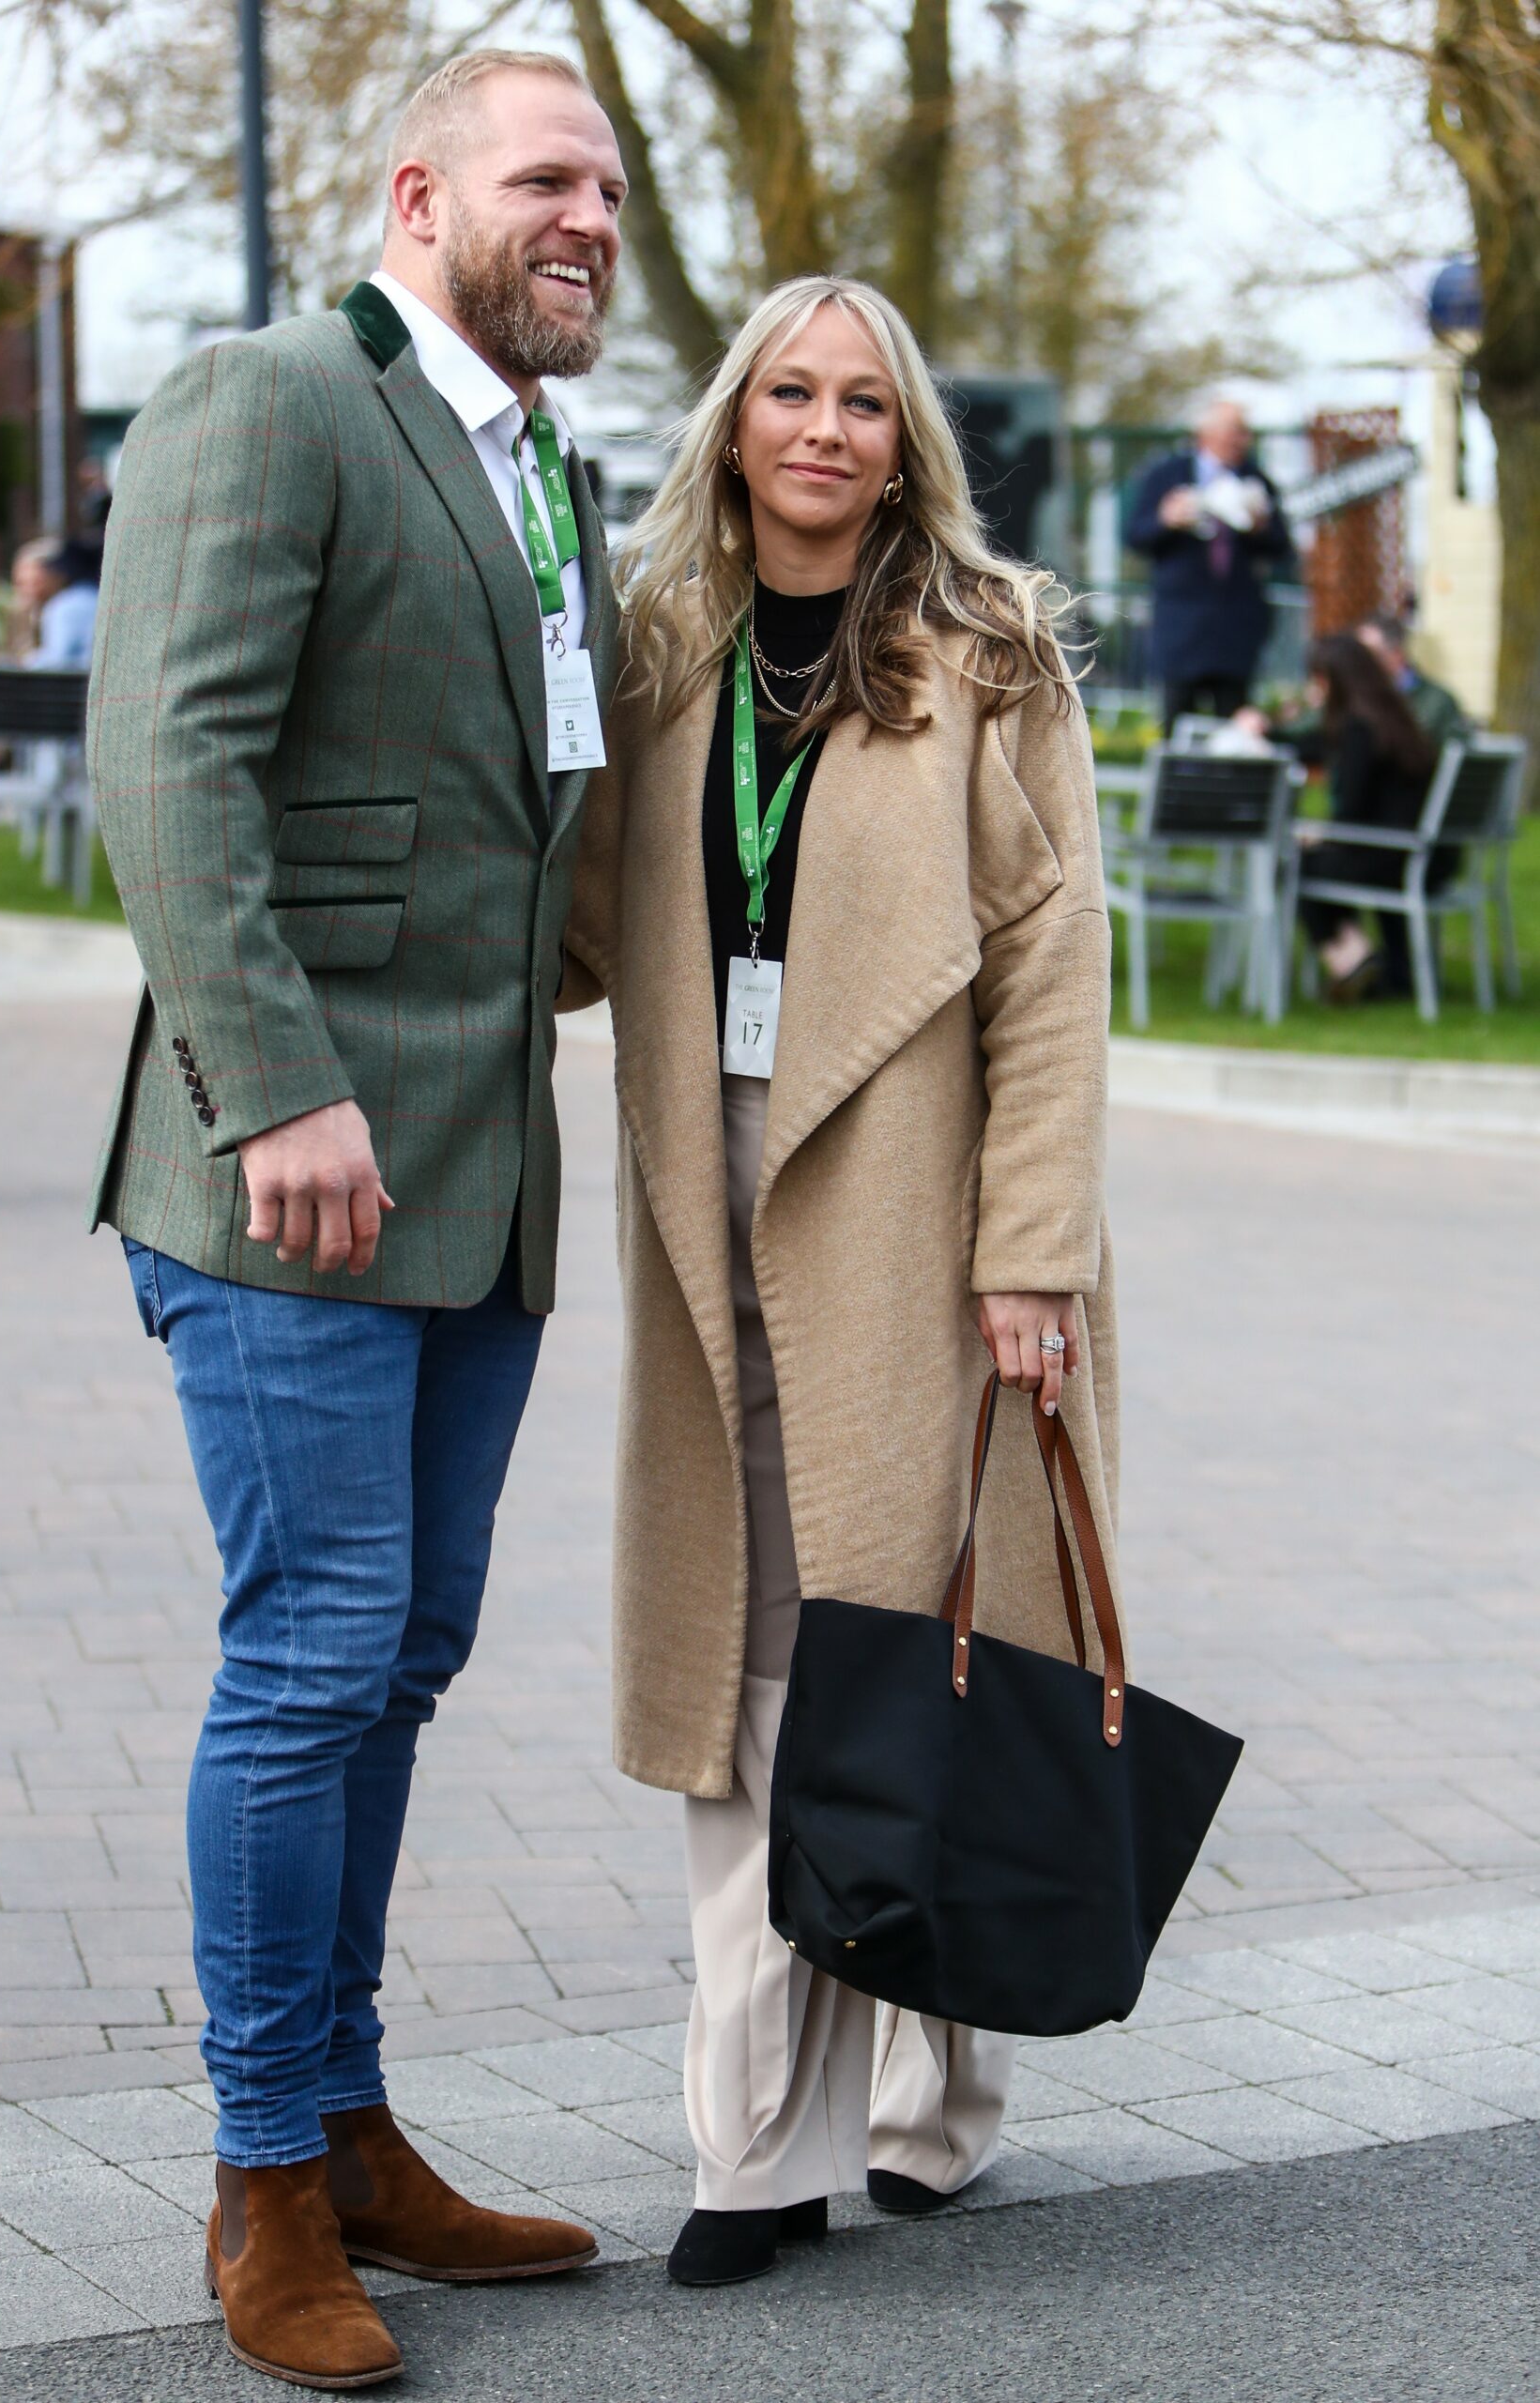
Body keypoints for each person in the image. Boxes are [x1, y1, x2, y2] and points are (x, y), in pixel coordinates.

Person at [86, 50, 627, 2392]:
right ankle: (260, 2181)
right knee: (310, 1656)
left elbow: (542, 813)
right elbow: (168, 752)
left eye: (609, 183)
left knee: (396, 1661)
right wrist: (275, 1080)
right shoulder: (273, 395)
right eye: (546, 176)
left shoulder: (549, 473)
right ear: (420, 194)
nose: (590, 214)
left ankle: (346, 2110)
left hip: (478, 1174)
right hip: (291, 1164)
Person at [562, 277, 1121, 2288]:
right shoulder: (649, 647)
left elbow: (1056, 969)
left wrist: (1030, 1245)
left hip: (916, 1188)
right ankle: (756, 2134)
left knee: (912, 1633)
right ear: (730, 422)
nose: (820, 428)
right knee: (747, 1647)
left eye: (860, 401)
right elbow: (568, 914)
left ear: (904, 439)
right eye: (786, 392)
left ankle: (930, 2091)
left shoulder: (987, 648)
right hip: (699, 1175)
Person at [1126, 400, 1294, 733]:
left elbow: (1281, 546)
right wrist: (1166, 519)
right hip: (1182, 630)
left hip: (1235, 630)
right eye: (1236, 431)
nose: (1243, 440)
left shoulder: (1256, 480)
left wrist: (1260, 526)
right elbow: (1134, 535)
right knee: (1176, 726)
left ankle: (1225, 788)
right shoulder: (1166, 476)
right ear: (1207, 433)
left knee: (1233, 729)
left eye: (1246, 432)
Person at [1293, 631, 1442, 1000]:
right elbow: (1314, 744)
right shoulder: (1397, 718)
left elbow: (1352, 812)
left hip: (1389, 854)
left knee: (1292, 861)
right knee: (1317, 858)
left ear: (1334, 682)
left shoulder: (1360, 728)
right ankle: (1392, 971)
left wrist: (1316, 834)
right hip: (1429, 852)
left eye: (1320, 679)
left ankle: (1353, 960)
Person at [1355, 610, 1471, 752]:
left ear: (1396, 654)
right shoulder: (1354, 696)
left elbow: (1455, 761)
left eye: (1368, 654)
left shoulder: (1438, 702)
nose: (1359, 663)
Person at [8, 535, 99, 666]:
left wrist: (26, 662)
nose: (26, 591)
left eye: (35, 582)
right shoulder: (91, 595)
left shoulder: (64, 607)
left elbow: (57, 663)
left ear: (56, 575)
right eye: (20, 583)